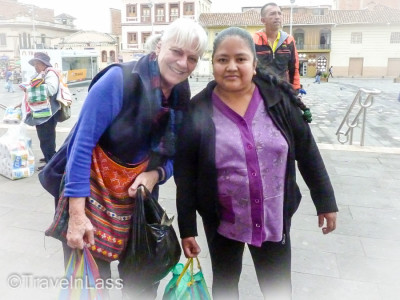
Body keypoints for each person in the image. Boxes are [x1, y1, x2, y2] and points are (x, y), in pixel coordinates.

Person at [174, 27, 338, 300]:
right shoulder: (198, 110)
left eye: (240, 59)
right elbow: (186, 174)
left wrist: (326, 202)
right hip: (222, 220)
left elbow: (308, 152)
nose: (231, 67)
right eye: (222, 59)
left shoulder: (278, 101)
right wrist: (187, 228)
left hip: (273, 218)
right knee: (225, 286)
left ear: (253, 62)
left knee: (278, 289)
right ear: (213, 63)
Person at [60, 18, 207, 299]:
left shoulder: (180, 93)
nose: (183, 63)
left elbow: (178, 155)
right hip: (89, 196)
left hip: (137, 202)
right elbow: (80, 146)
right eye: (177, 51)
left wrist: (156, 175)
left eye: (192, 58)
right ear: (160, 46)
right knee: (91, 287)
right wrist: (76, 216)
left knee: (141, 285)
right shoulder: (119, 80)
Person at [19, 52, 61, 170]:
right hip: (42, 111)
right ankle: (49, 155)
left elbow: (51, 90)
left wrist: (32, 88)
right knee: (46, 136)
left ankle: (50, 162)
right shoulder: (42, 74)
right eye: (34, 64)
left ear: (44, 64)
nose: (35, 66)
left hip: (47, 112)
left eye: (37, 64)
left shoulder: (50, 74)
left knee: (46, 137)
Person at [253, 2, 301, 91]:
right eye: (272, 13)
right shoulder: (254, 40)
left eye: (279, 13)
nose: (277, 16)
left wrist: (296, 89)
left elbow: (294, 67)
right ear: (263, 20)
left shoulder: (288, 40)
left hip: (283, 90)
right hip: (260, 91)